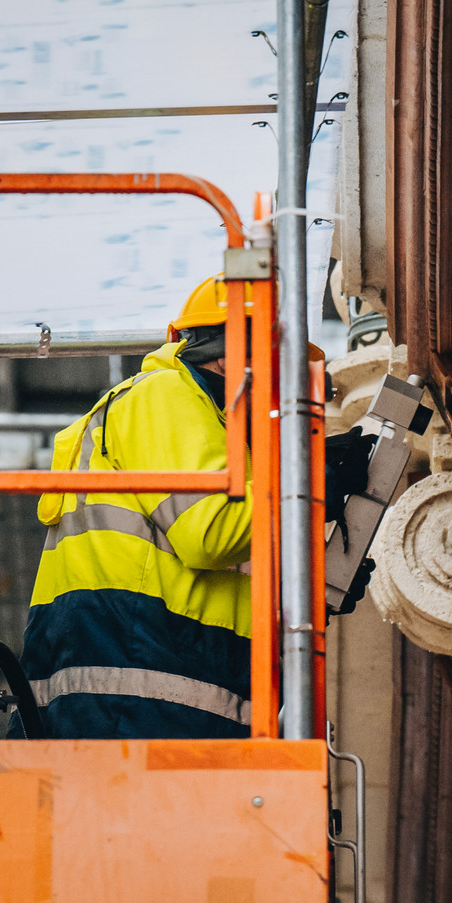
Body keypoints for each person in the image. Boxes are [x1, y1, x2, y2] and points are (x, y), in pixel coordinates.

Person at [19, 276, 263, 738]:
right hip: (131, 709)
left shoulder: (226, 437)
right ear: (235, 354)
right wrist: (308, 492)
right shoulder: (167, 394)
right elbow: (211, 534)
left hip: (166, 705)